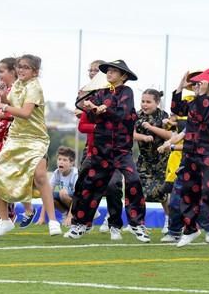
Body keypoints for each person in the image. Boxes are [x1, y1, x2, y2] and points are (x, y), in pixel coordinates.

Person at [64, 59, 149, 242]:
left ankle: (136, 224)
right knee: (88, 185)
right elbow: (89, 115)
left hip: (121, 149)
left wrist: (104, 109)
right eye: (108, 71)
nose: (109, 74)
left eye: (113, 71)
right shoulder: (100, 92)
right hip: (100, 150)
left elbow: (122, 113)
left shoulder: (127, 91)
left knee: (133, 180)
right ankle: (80, 223)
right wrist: (91, 109)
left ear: (123, 76)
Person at [0, 54, 62, 237]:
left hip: (35, 138)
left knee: (40, 176)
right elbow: (11, 102)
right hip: (16, 137)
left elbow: (26, 113)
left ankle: (53, 221)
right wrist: (3, 95)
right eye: (19, 66)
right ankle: (4, 220)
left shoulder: (34, 87)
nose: (21, 70)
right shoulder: (18, 85)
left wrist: (0, 105)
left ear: (35, 72)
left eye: (26, 67)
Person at [171, 68, 209, 247]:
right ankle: (190, 229)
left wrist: (202, 94)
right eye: (196, 83)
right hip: (190, 153)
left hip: (207, 153)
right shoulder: (194, 102)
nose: (196, 86)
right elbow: (177, 108)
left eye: (200, 83)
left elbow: (204, 116)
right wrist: (180, 87)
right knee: (188, 191)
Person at [0, 57, 34, 227]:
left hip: (14, 136)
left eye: (2, 71)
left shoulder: (19, 90)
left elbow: (18, 114)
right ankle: (5, 217)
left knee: (15, 174)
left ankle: (28, 209)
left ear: (13, 72)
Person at [74, 61, 125, 236]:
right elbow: (82, 126)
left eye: (97, 71)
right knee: (83, 186)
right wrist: (99, 128)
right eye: (91, 70)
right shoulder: (92, 95)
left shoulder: (118, 99)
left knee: (113, 187)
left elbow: (123, 122)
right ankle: (81, 223)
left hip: (114, 153)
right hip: (92, 151)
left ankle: (114, 225)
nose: (93, 73)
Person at [135, 89, 171, 227]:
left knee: (161, 192)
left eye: (148, 102)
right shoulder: (136, 115)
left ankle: (169, 219)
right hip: (144, 160)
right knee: (137, 190)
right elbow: (129, 134)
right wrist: (143, 137)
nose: (144, 105)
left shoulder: (163, 116)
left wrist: (150, 128)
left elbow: (169, 136)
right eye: (143, 101)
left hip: (162, 159)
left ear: (157, 103)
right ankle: (137, 221)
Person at [36, 146, 78, 226]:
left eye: (65, 160)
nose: (61, 162)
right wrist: (42, 217)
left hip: (79, 201)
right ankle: (65, 213)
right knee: (48, 196)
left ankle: (72, 215)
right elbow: (47, 194)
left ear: (71, 163)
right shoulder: (56, 173)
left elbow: (77, 196)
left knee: (63, 193)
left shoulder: (75, 174)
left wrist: (70, 216)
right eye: (59, 159)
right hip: (67, 200)